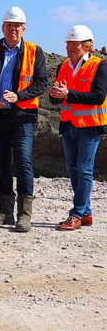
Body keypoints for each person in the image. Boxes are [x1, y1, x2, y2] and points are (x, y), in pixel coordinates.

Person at [0, 7, 48, 232]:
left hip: (23, 116)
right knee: (0, 162)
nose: (13, 30)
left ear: (24, 29)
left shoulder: (34, 51)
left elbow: (41, 83)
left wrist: (19, 96)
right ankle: (5, 211)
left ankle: (24, 214)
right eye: (9, 26)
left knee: (23, 161)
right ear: (3, 28)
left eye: (17, 26)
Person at [49, 25, 106, 231]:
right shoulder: (63, 66)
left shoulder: (100, 66)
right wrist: (55, 95)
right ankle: (87, 213)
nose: (70, 48)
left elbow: (99, 96)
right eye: (69, 44)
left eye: (75, 44)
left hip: (90, 127)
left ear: (87, 46)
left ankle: (76, 214)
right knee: (73, 170)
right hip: (68, 125)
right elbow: (56, 98)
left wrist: (68, 94)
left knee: (84, 170)